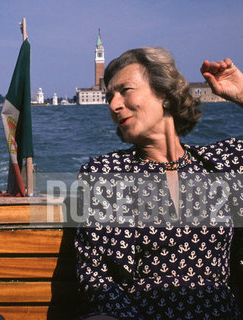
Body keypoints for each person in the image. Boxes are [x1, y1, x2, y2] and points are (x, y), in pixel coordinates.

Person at [75, 47, 242, 320]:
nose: (113, 105)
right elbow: (98, 279)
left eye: (125, 90)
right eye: (109, 97)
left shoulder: (221, 162)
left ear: (164, 93)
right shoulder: (105, 174)